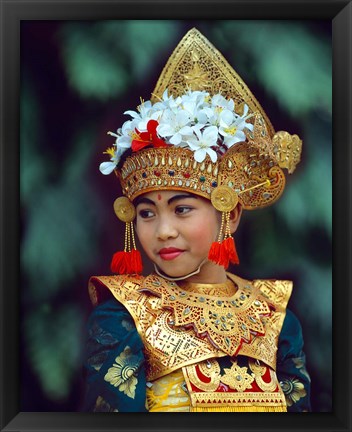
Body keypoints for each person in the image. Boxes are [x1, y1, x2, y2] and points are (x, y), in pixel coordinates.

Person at [82, 28, 311, 412]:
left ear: (231, 214)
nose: (163, 230)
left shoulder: (276, 317)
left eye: (182, 208)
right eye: (146, 213)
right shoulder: (123, 315)